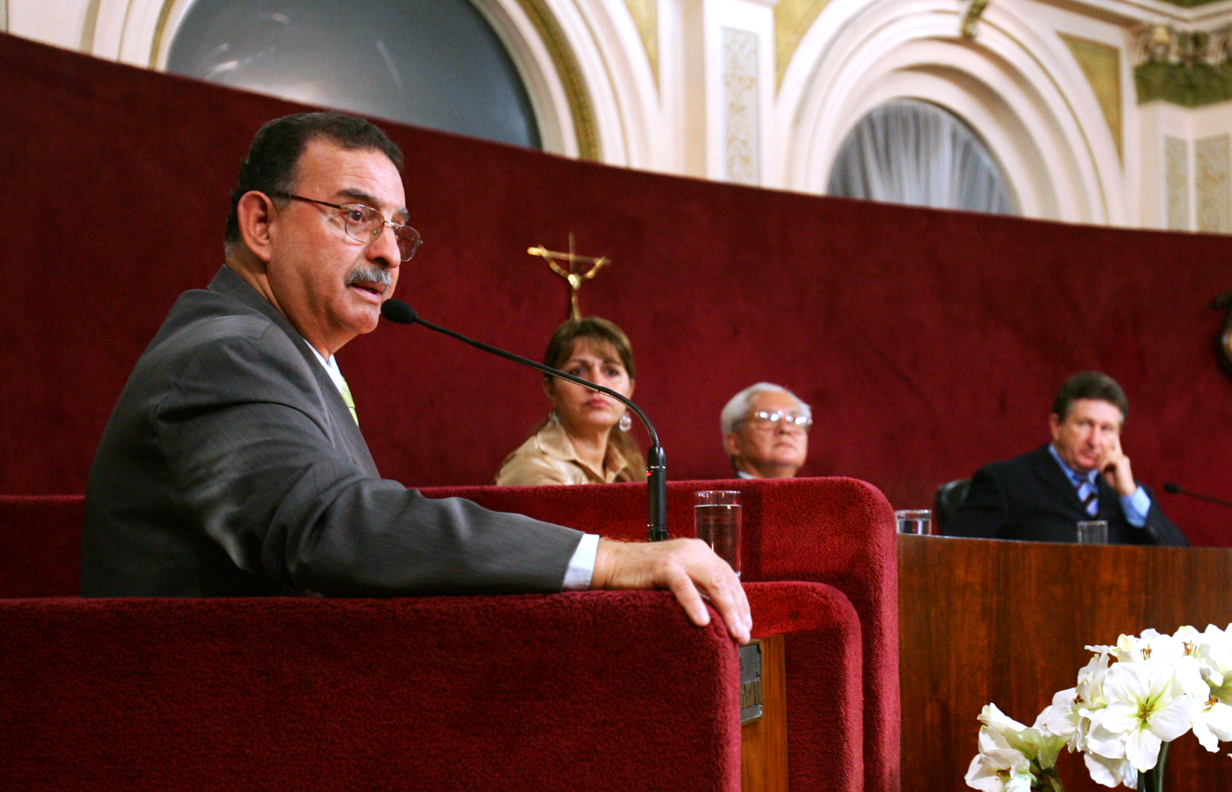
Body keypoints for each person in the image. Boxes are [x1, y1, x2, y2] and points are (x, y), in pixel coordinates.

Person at [81, 111, 749, 643]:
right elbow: (333, 527)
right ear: (262, 223)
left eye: (398, 229)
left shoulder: (278, 351)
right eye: (355, 216)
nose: (388, 252)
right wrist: (612, 562)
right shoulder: (227, 352)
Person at [945, 371, 1187, 545]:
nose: (1095, 440)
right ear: (1056, 425)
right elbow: (955, 555)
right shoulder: (1005, 482)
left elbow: (1181, 560)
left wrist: (1129, 494)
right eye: (1084, 424)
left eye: (1107, 429)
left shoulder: (1129, 495)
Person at [495, 317, 648, 486]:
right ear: (550, 389)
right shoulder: (532, 467)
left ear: (630, 389)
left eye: (611, 371)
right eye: (577, 371)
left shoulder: (628, 464)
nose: (597, 385)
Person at [720, 383, 811, 479]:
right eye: (768, 418)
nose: (785, 428)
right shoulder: (725, 493)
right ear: (734, 443)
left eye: (795, 420)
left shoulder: (818, 493)